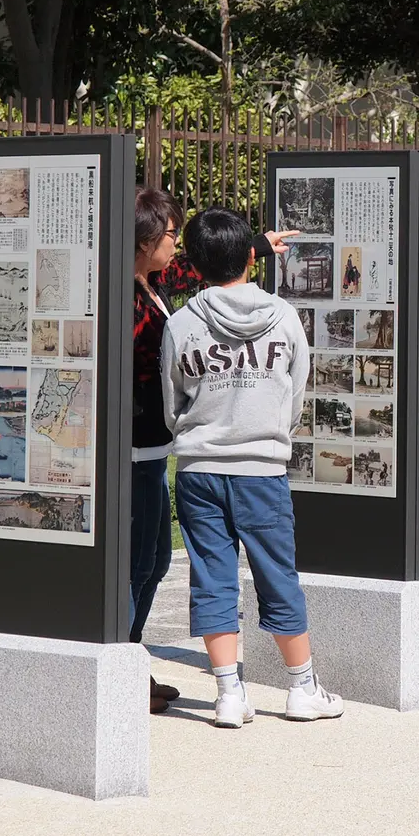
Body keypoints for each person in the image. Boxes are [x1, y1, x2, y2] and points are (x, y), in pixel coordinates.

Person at [160, 207, 342, 728]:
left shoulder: (181, 323)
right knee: (277, 574)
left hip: (199, 469)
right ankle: (302, 687)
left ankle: (228, 695)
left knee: (211, 578)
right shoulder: (283, 317)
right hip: (262, 469)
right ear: (249, 256)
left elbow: (173, 402)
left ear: (194, 264)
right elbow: (296, 392)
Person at [131, 186, 292, 715]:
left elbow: (198, 268)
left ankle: (133, 665)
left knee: (158, 562)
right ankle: (121, 670)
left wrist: (253, 247)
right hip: (133, 450)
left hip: (162, 450)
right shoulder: (123, 296)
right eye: (169, 234)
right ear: (145, 240)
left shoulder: (152, 283)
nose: (175, 245)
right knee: (139, 566)